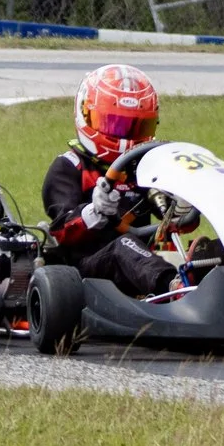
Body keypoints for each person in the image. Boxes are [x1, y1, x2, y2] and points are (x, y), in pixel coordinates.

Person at [41, 63, 178, 298]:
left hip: (145, 263)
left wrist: (182, 204)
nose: (124, 137)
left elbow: (177, 225)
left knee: (206, 248)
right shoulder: (69, 167)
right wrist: (94, 212)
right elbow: (61, 230)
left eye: (136, 127)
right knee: (125, 245)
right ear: (86, 114)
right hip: (86, 271)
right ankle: (175, 291)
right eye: (115, 124)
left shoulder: (145, 168)